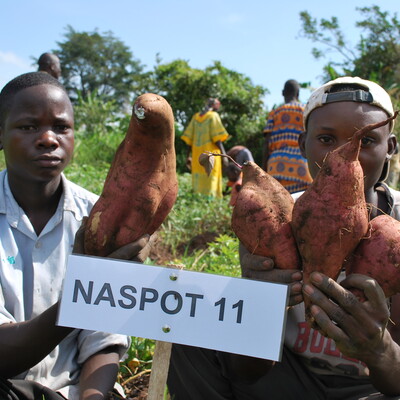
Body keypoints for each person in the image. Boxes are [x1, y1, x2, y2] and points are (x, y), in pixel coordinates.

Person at [167, 77, 400, 400]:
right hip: (285, 380)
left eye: (367, 140)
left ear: (390, 147)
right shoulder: (272, 216)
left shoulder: (397, 229)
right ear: (303, 144)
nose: (343, 155)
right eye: (327, 139)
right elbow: (246, 370)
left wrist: (380, 349)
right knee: (192, 332)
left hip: (370, 389)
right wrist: (260, 302)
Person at [0, 72, 150, 400]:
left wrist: (92, 397)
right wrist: (84, 297)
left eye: (61, 127)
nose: (48, 139)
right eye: (28, 127)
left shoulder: (98, 217)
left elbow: (103, 341)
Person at [262, 79, 312, 194]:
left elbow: (266, 143)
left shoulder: (275, 113)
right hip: (301, 168)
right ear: (298, 93)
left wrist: (263, 170)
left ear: (283, 93)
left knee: (278, 207)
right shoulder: (305, 111)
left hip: (275, 167)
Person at [181, 98, 229, 198]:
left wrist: (188, 156)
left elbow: (189, 140)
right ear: (215, 105)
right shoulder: (213, 116)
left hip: (197, 155)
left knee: (199, 178)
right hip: (210, 154)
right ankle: (209, 201)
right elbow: (217, 139)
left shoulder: (195, 118)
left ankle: (198, 198)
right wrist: (224, 155)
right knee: (210, 176)